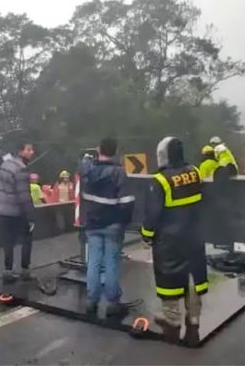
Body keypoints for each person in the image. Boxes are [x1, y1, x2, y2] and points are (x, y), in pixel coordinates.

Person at [141, 136, 207, 347]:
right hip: (194, 235)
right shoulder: (195, 172)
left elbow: (153, 213)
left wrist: (146, 234)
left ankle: (172, 318)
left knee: (168, 277)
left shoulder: (160, 180)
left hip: (169, 240)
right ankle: (194, 317)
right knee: (193, 277)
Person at [79, 138, 134, 318]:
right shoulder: (119, 172)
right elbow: (127, 202)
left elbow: (81, 165)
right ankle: (112, 303)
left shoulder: (88, 169)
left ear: (99, 149)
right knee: (111, 262)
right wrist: (123, 222)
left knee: (93, 261)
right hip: (112, 224)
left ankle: (91, 301)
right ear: (115, 151)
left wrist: (88, 157)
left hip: (92, 224)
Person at [0, 143, 36, 283]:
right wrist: (31, 217)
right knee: (26, 239)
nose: (32, 152)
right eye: (28, 150)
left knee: (8, 241)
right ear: (20, 151)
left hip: (1, 210)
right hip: (15, 212)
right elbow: (24, 196)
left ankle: (7, 272)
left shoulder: (4, 165)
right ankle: (25, 271)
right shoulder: (21, 170)